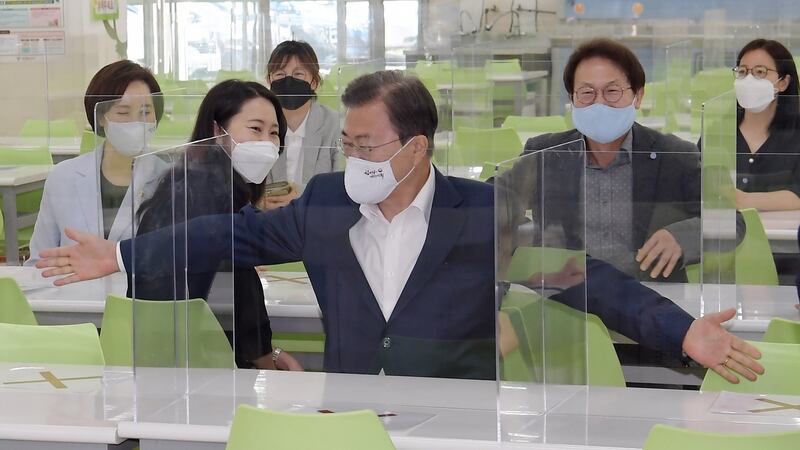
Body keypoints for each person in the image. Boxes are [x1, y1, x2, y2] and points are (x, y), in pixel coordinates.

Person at [36, 71, 763, 384]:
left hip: (460, 426)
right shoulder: (323, 204)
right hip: (352, 420)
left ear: (416, 149)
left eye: (368, 146)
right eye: (346, 144)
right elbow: (224, 236)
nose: (351, 158)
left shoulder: (482, 215)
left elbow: (588, 278)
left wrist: (680, 332)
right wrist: (123, 256)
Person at [131, 79, 302, 370]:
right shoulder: (208, 194)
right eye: (255, 129)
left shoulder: (187, 182)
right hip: (198, 364)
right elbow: (238, 294)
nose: (267, 142)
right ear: (217, 131)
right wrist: (264, 356)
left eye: (274, 133)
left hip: (175, 353)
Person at [522, 38, 701, 282]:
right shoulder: (545, 153)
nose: (599, 103)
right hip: (566, 300)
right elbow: (492, 205)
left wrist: (682, 236)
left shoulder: (674, 156)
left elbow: (731, 220)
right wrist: (527, 238)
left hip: (649, 300)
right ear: (572, 99)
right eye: (586, 93)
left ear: (638, 96)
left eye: (612, 91)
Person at [26, 60, 166, 267]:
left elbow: (175, 262)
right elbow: (40, 260)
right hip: (73, 294)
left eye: (146, 112)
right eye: (123, 112)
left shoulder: (170, 179)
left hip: (140, 297)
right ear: (101, 117)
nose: (136, 122)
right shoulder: (63, 177)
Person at [260, 40, 342, 210]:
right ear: (269, 81)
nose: (288, 81)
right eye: (280, 75)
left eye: (299, 75)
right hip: (269, 223)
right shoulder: (258, 126)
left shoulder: (335, 125)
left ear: (314, 82)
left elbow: (343, 185)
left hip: (319, 221)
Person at [733, 39, 800, 211]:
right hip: (726, 235)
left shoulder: (796, 133)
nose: (748, 80)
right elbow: (700, 188)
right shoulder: (719, 132)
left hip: (785, 236)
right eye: (742, 72)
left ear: (783, 82)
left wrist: (744, 200)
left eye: (760, 72)